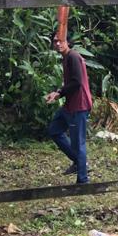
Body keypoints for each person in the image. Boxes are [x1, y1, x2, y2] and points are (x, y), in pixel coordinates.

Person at [45, 31, 93, 184]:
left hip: (79, 105)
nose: (58, 44)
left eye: (61, 40)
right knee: (55, 130)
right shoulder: (66, 58)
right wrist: (58, 93)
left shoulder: (73, 56)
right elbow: (71, 83)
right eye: (55, 41)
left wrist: (59, 93)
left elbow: (77, 82)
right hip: (69, 105)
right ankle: (79, 162)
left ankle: (83, 180)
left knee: (78, 143)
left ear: (68, 42)